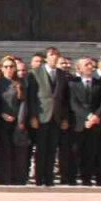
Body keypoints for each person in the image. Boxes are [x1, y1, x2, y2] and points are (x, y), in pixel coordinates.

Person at [25, 51, 68, 187]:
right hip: (41, 115)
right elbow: (32, 96)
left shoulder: (61, 74)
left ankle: (49, 178)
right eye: (52, 55)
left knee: (52, 148)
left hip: (56, 117)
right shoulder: (35, 73)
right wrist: (33, 116)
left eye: (57, 56)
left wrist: (65, 118)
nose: (54, 58)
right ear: (46, 58)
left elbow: (65, 98)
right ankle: (39, 178)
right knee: (41, 149)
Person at [66, 57, 101, 186]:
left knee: (90, 152)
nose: (90, 66)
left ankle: (87, 178)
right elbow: (73, 103)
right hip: (78, 123)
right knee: (75, 151)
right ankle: (71, 178)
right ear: (79, 68)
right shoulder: (73, 83)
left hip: (94, 122)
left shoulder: (99, 83)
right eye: (86, 64)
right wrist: (88, 116)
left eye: (91, 64)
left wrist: (95, 116)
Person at [0, 56, 29, 185]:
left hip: (17, 122)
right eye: (6, 66)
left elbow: (24, 103)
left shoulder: (20, 83)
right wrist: (1, 114)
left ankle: (17, 179)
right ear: (1, 68)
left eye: (11, 66)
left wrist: (20, 120)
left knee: (18, 152)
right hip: (1, 121)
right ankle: (3, 178)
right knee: (4, 151)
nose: (9, 69)